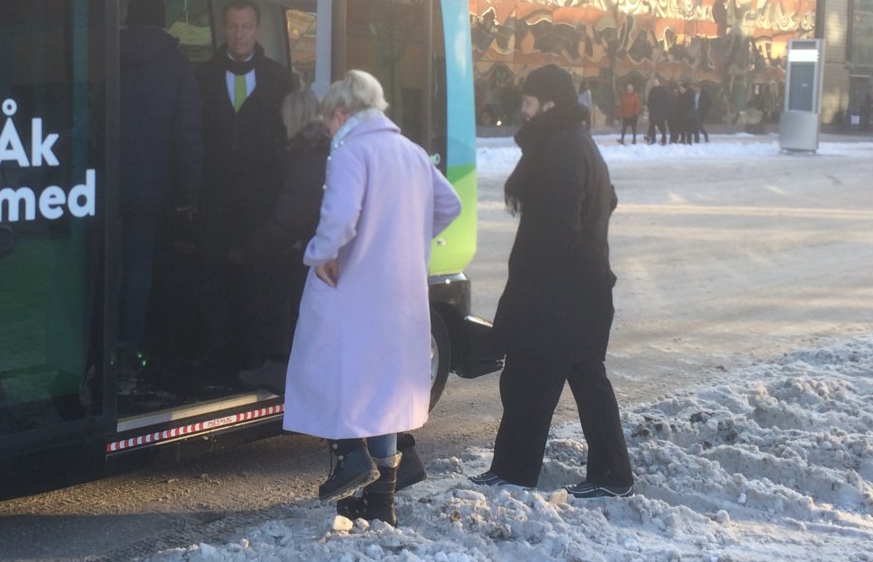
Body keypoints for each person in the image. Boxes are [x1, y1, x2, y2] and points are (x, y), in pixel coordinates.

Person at [284, 70, 462, 526]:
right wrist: (406, 238)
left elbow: (340, 217)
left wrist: (321, 254)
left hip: (352, 284)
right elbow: (450, 205)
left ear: (343, 113)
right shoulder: (411, 152)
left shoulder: (351, 150)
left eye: (329, 120)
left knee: (323, 366)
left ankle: (350, 457)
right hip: (402, 290)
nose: (329, 129)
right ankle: (382, 501)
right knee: (385, 392)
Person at [471, 64, 634, 498]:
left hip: (561, 297)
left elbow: (557, 229)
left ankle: (517, 471)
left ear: (549, 104)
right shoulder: (572, 143)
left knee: (530, 381)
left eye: (528, 102)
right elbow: (604, 201)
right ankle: (611, 476)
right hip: (580, 293)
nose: (522, 110)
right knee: (581, 384)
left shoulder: (563, 148)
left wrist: (530, 288)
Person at [193, 0, 297, 368]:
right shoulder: (202, 76)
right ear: (224, 29)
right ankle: (213, 345)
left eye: (246, 26)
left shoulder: (281, 78)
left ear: (258, 30)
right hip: (214, 188)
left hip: (261, 191)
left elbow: (290, 135)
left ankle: (257, 348)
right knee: (211, 268)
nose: (239, 34)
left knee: (261, 269)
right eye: (233, 26)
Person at [117, 0, 201, 373]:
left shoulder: (105, 53)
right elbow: (187, 135)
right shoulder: (177, 65)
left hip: (104, 183)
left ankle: (94, 343)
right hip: (152, 187)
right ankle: (127, 346)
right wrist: (188, 192)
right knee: (139, 268)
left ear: (129, 17)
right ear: (163, 21)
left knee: (102, 266)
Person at [237, 88, 331, 393]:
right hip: (312, 246)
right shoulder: (321, 150)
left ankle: (277, 368)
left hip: (300, 249)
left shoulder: (303, 157)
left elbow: (288, 220)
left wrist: (252, 250)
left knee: (276, 291)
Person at [645, 78, 670, 145]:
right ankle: (653, 140)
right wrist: (650, 108)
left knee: (661, 126)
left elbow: (666, 101)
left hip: (660, 112)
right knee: (652, 126)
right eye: (654, 82)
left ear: (659, 83)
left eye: (656, 82)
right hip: (653, 112)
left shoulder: (663, 91)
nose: (655, 83)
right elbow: (649, 101)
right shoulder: (652, 91)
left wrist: (664, 110)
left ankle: (664, 138)